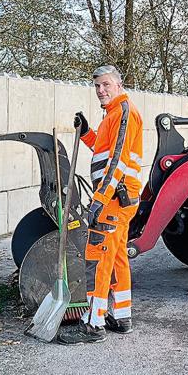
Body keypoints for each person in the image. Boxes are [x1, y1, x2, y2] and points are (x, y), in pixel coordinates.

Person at [58, 65, 144, 345]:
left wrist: (98, 201)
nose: (101, 90)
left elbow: (116, 162)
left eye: (106, 85)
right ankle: (121, 316)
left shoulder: (123, 113)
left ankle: (93, 323)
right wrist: (86, 133)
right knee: (117, 256)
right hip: (119, 198)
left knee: (97, 257)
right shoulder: (114, 115)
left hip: (113, 199)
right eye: (97, 86)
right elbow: (103, 151)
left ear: (119, 85)